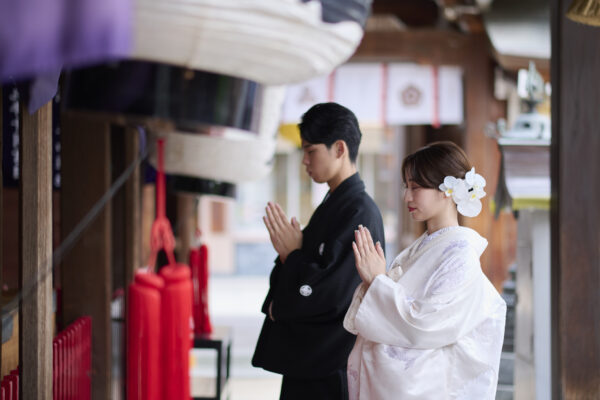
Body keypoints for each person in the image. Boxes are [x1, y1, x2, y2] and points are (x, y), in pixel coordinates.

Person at [344, 141, 506, 400]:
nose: (407, 196)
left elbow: (426, 324)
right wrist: (377, 282)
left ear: (448, 190)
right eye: (406, 187)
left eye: (416, 187)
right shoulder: (424, 246)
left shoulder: (461, 254)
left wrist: (378, 281)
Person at [252, 102, 385, 400]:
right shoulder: (335, 204)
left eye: (311, 151)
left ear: (339, 149)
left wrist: (292, 256)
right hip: (311, 361)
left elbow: (333, 293)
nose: (304, 161)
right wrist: (293, 255)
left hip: (329, 362)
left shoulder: (359, 211)